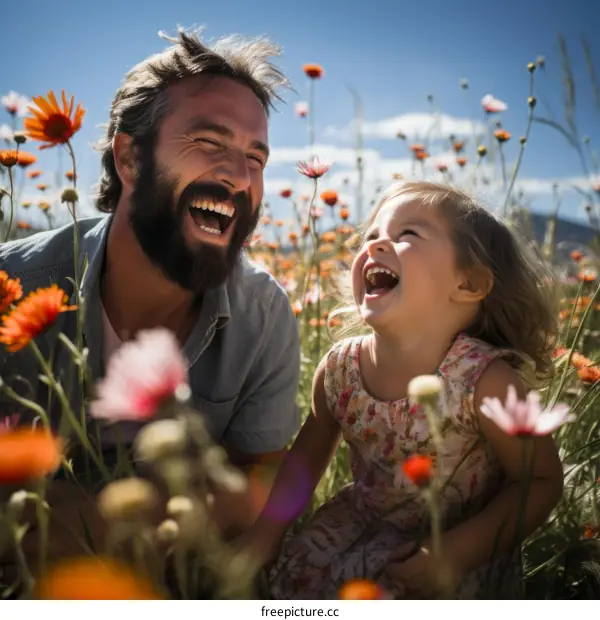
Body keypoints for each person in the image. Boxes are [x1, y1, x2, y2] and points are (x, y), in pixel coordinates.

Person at [0, 29, 300, 558]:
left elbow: (261, 478)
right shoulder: (13, 287)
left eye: (256, 158)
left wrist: (96, 525)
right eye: (209, 143)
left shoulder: (265, 316)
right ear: (130, 159)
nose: (238, 176)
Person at [240, 180, 566, 599]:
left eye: (407, 234)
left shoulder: (484, 380)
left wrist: (457, 552)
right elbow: (304, 463)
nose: (375, 246)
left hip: (457, 544)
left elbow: (540, 480)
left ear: (468, 285)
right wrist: (265, 536)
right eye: (371, 236)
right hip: (360, 526)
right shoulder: (340, 369)